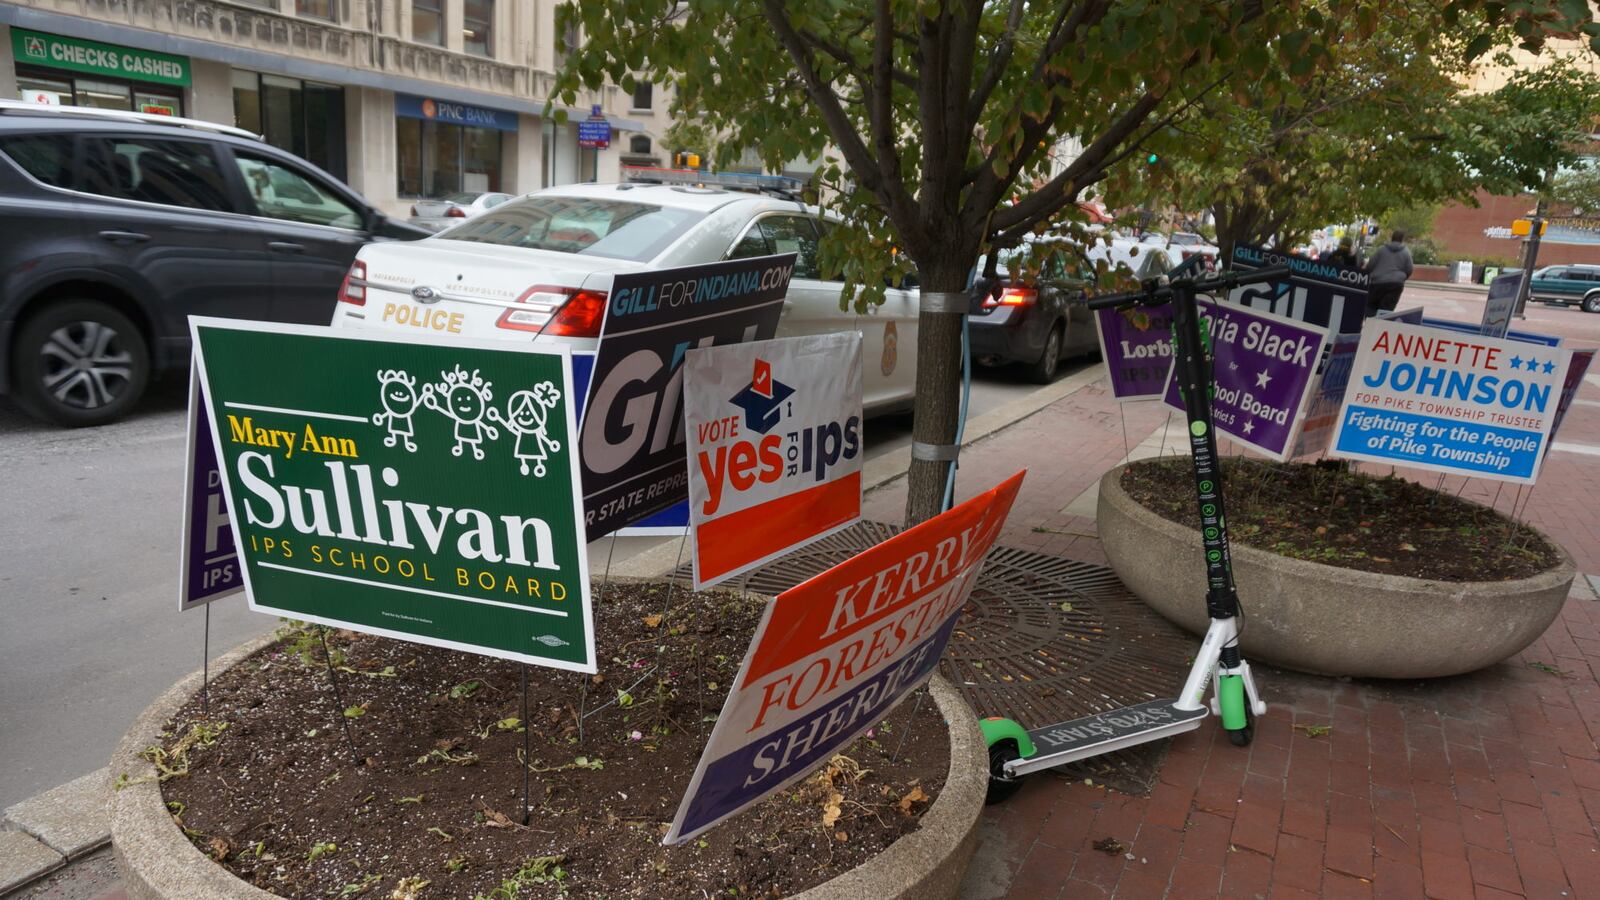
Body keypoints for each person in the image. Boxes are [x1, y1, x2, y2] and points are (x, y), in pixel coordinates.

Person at [1364, 230, 1413, 316]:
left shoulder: (1381, 250)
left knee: (1371, 306)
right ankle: (1382, 326)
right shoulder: (1406, 252)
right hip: (1395, 284)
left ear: (1392, 238)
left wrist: (1369, 274)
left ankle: (1370, 324)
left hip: (1377, 283)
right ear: (1402, 239)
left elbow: (1371, 264)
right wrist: (1402, 278)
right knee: (1387, 309)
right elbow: (1409, 269)